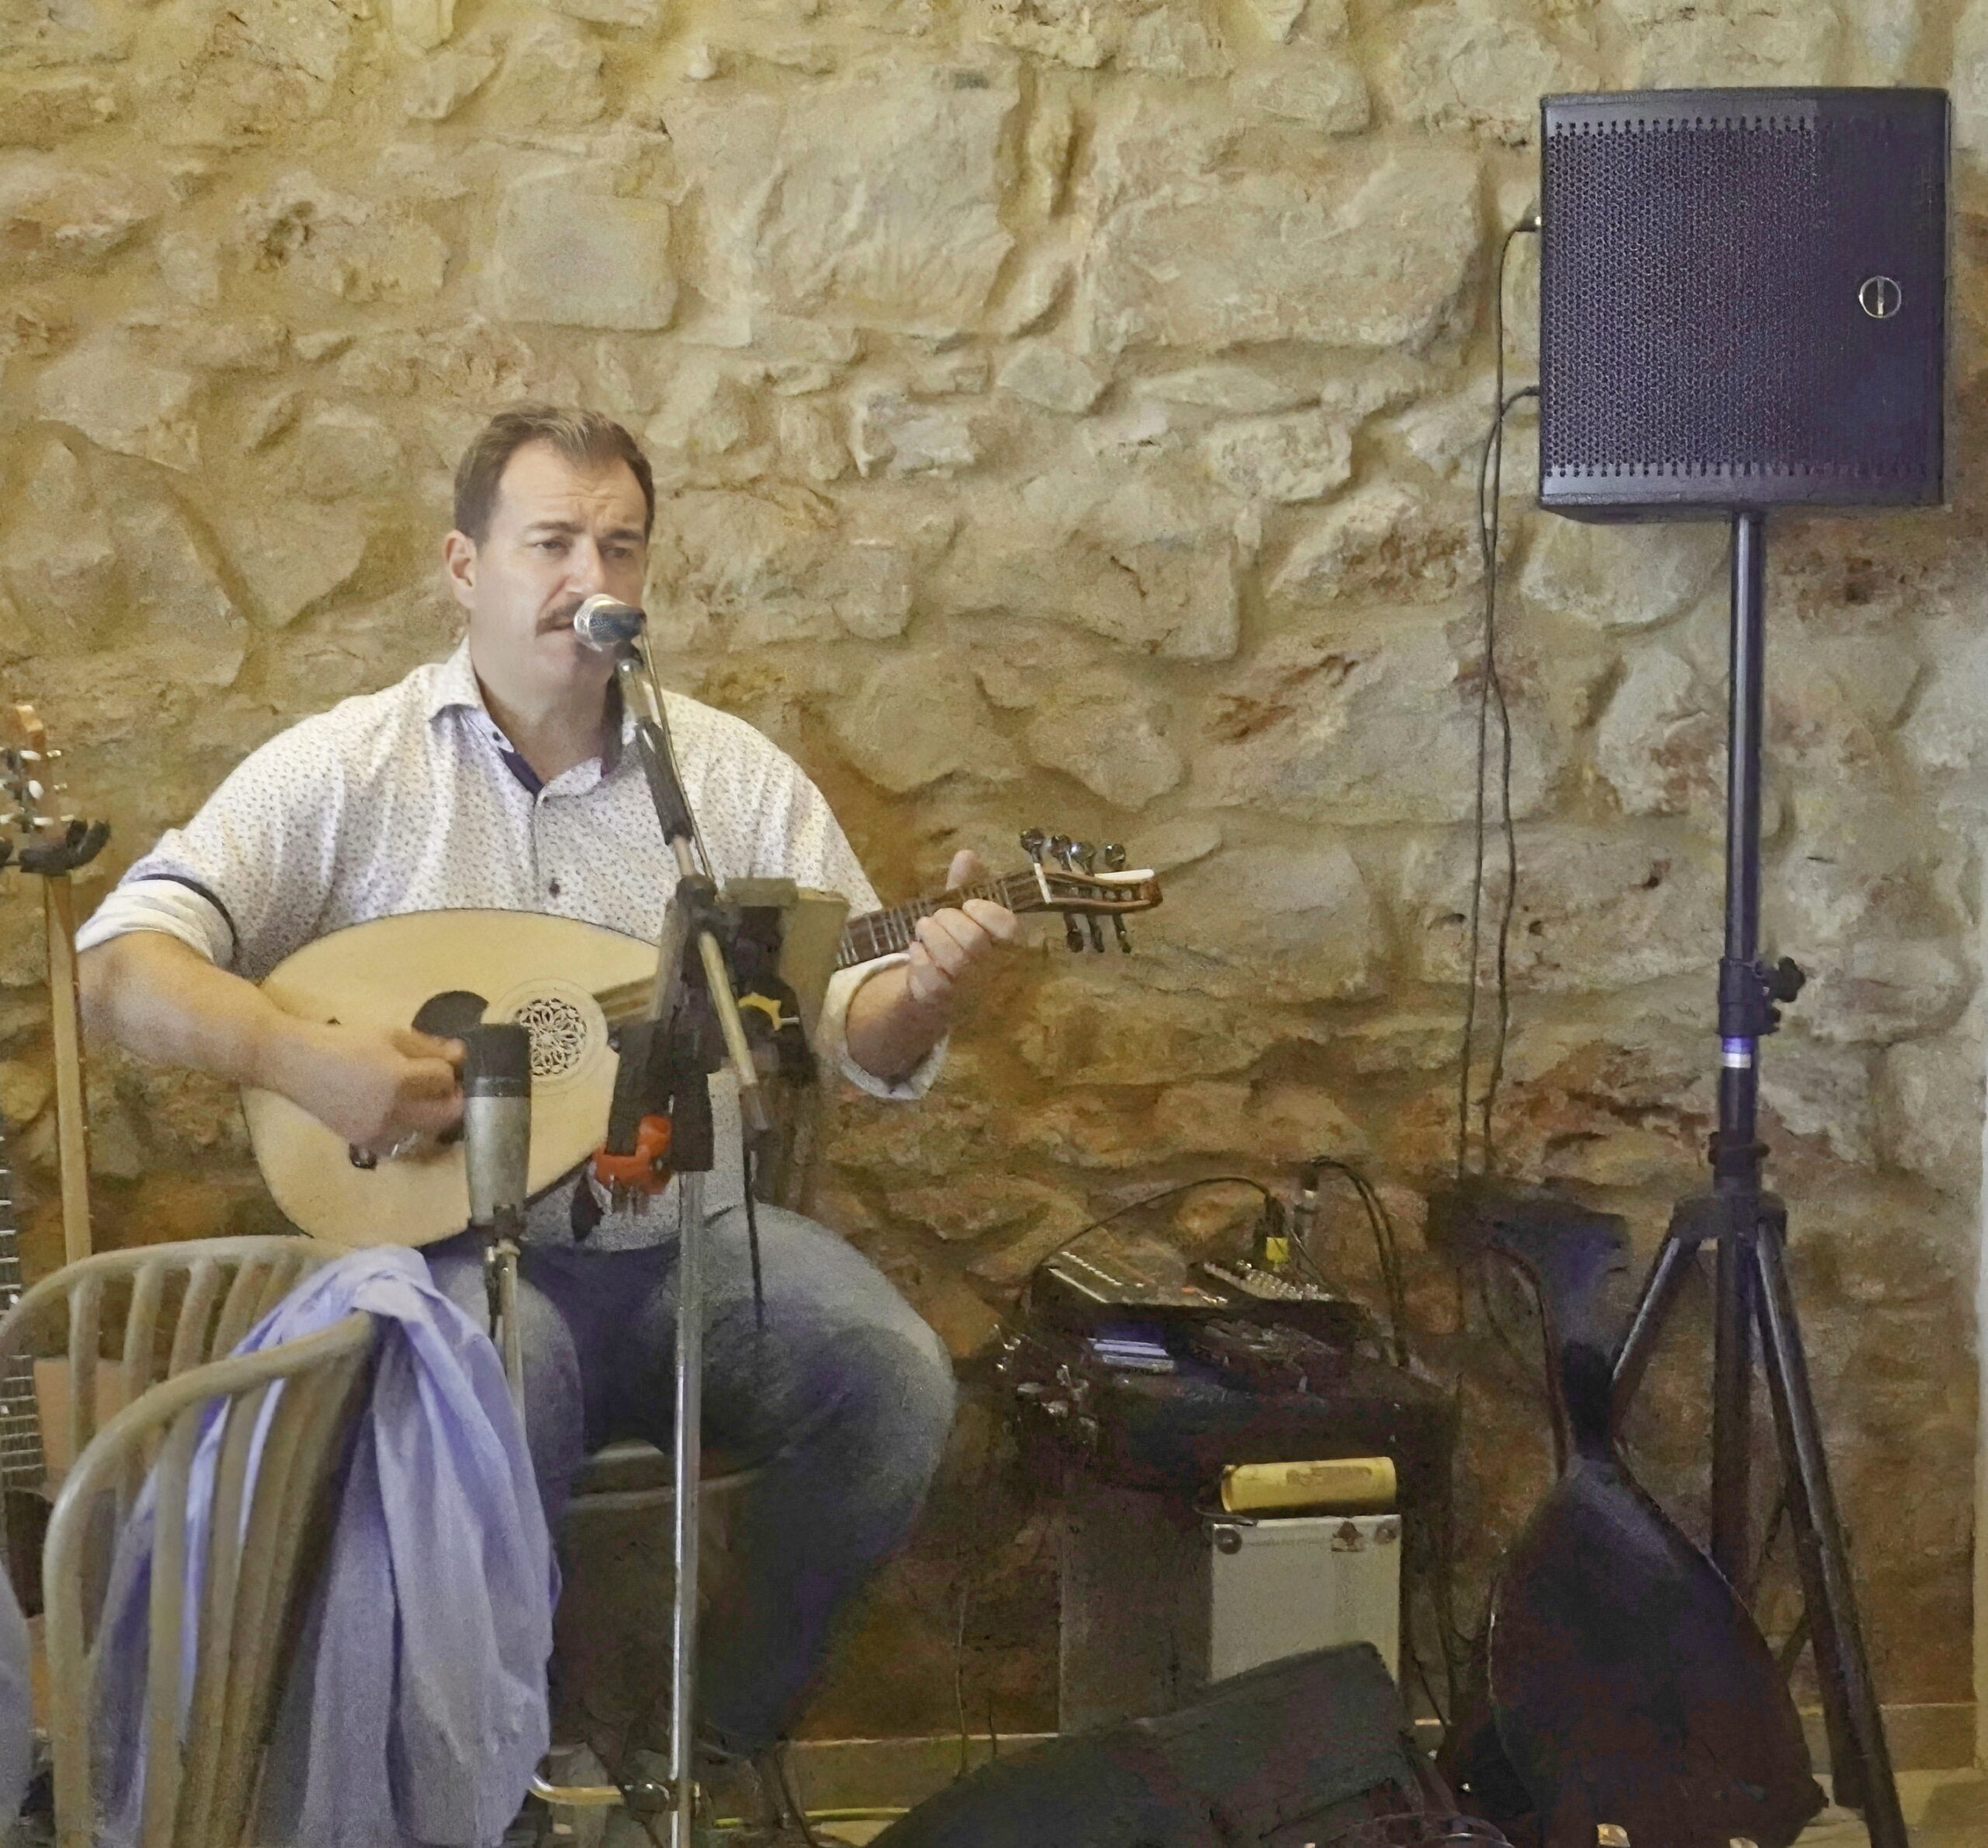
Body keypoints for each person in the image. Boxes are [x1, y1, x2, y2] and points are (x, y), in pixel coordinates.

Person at [76, 404, 1017, 1808]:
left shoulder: (723, 778)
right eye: (553, 542)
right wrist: (294, 1056)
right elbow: (119, 965)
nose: (591, 577)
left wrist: (925, 989)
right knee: (504, 1383)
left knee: (893, 1379)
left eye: (620, 548)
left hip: (690, 1238)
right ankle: (490, 1791)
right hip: (450, 1248)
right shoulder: (353, 768)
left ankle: (708, 1754)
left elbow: (847, 1014)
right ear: (465, 566)